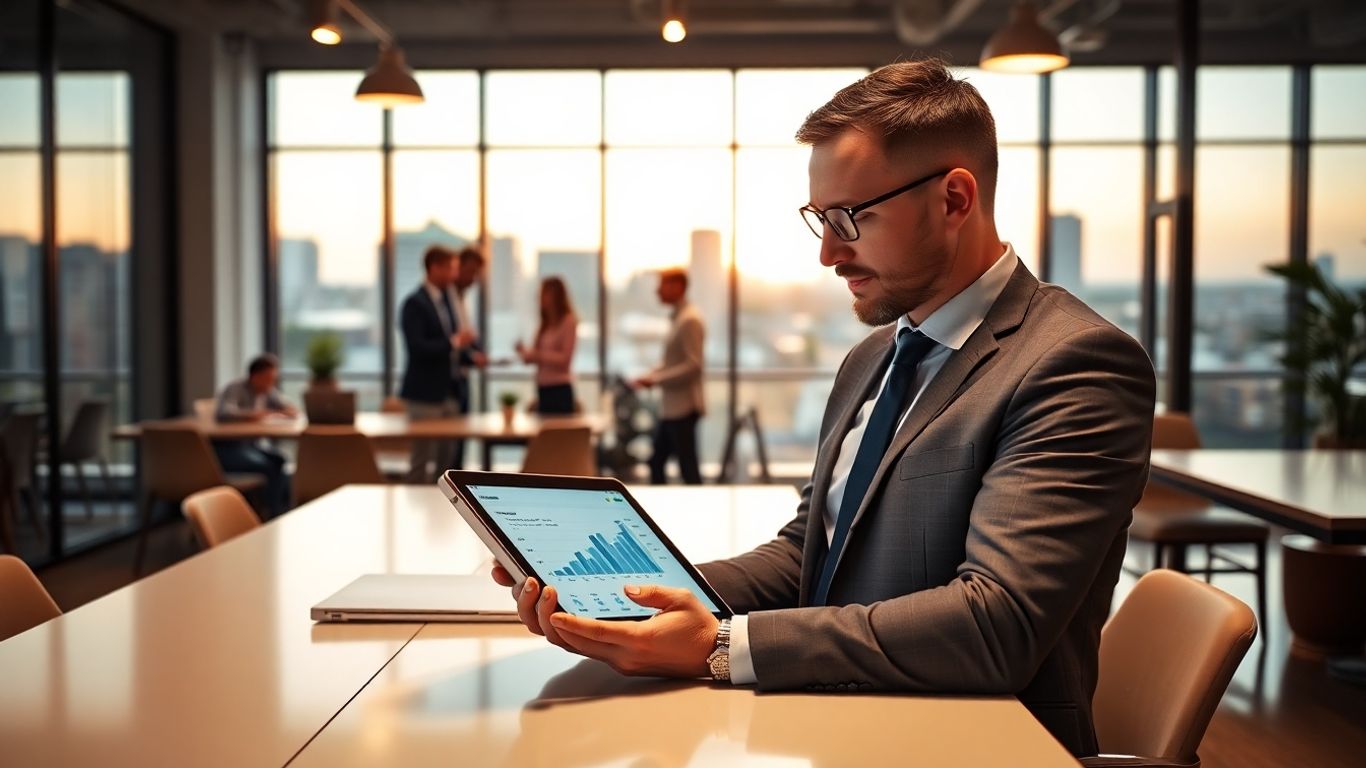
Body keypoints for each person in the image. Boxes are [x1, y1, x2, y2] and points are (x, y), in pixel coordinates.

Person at [491, 59, 1156, 758]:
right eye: (819, 218)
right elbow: (810, 553)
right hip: (834, 728)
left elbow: (997, 625)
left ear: (955, 199)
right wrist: (634, 594)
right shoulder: (871, 359)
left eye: (849, 218)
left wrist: (719, 646)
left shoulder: (1072, 362)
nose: (828, 253)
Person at [398, 245, 483, 481]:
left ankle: (443, 512)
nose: (454, 275)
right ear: (434, 268)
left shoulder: (446, 303)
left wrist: (470, 355)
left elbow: (450, 349)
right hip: (425, 394)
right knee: (421, 459)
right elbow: (418, 347)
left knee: (448, 464)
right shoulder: (414, 303)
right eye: (450, 268)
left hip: (450, 393)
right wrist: (456, 341)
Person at [632, 268, 705, 485]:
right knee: (660, 462)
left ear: (678, 287)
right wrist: (652, 375)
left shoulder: (689, 320)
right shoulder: (680, 318)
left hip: (682, 407)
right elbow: (673, 361)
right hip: (673, 407)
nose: (657, 291)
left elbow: (693, 366)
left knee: (686, 469)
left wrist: (656, 380)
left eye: (662, 284)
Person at [213, 353, 296, 518]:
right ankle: (270, 514)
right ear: (255, 376)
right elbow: (224, 413)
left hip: (250, 445)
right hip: (228, 448)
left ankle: (279, 509)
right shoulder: (235, 388)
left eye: (274, 378)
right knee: (268, 467)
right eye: (268, 378)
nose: (271, 382)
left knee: (280, 460)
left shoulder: (267, 391)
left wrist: (286, 410)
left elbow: (288, 407)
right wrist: (255, 414)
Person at [515, 276, 578, 415]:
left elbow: (565, 359)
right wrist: (525, 353)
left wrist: (539, 355)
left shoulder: (568, 322)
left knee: (558, 434)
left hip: (559, 388)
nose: (540, 298)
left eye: (544, 293)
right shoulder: (544, 325)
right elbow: (536, 357)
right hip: (543, 387)